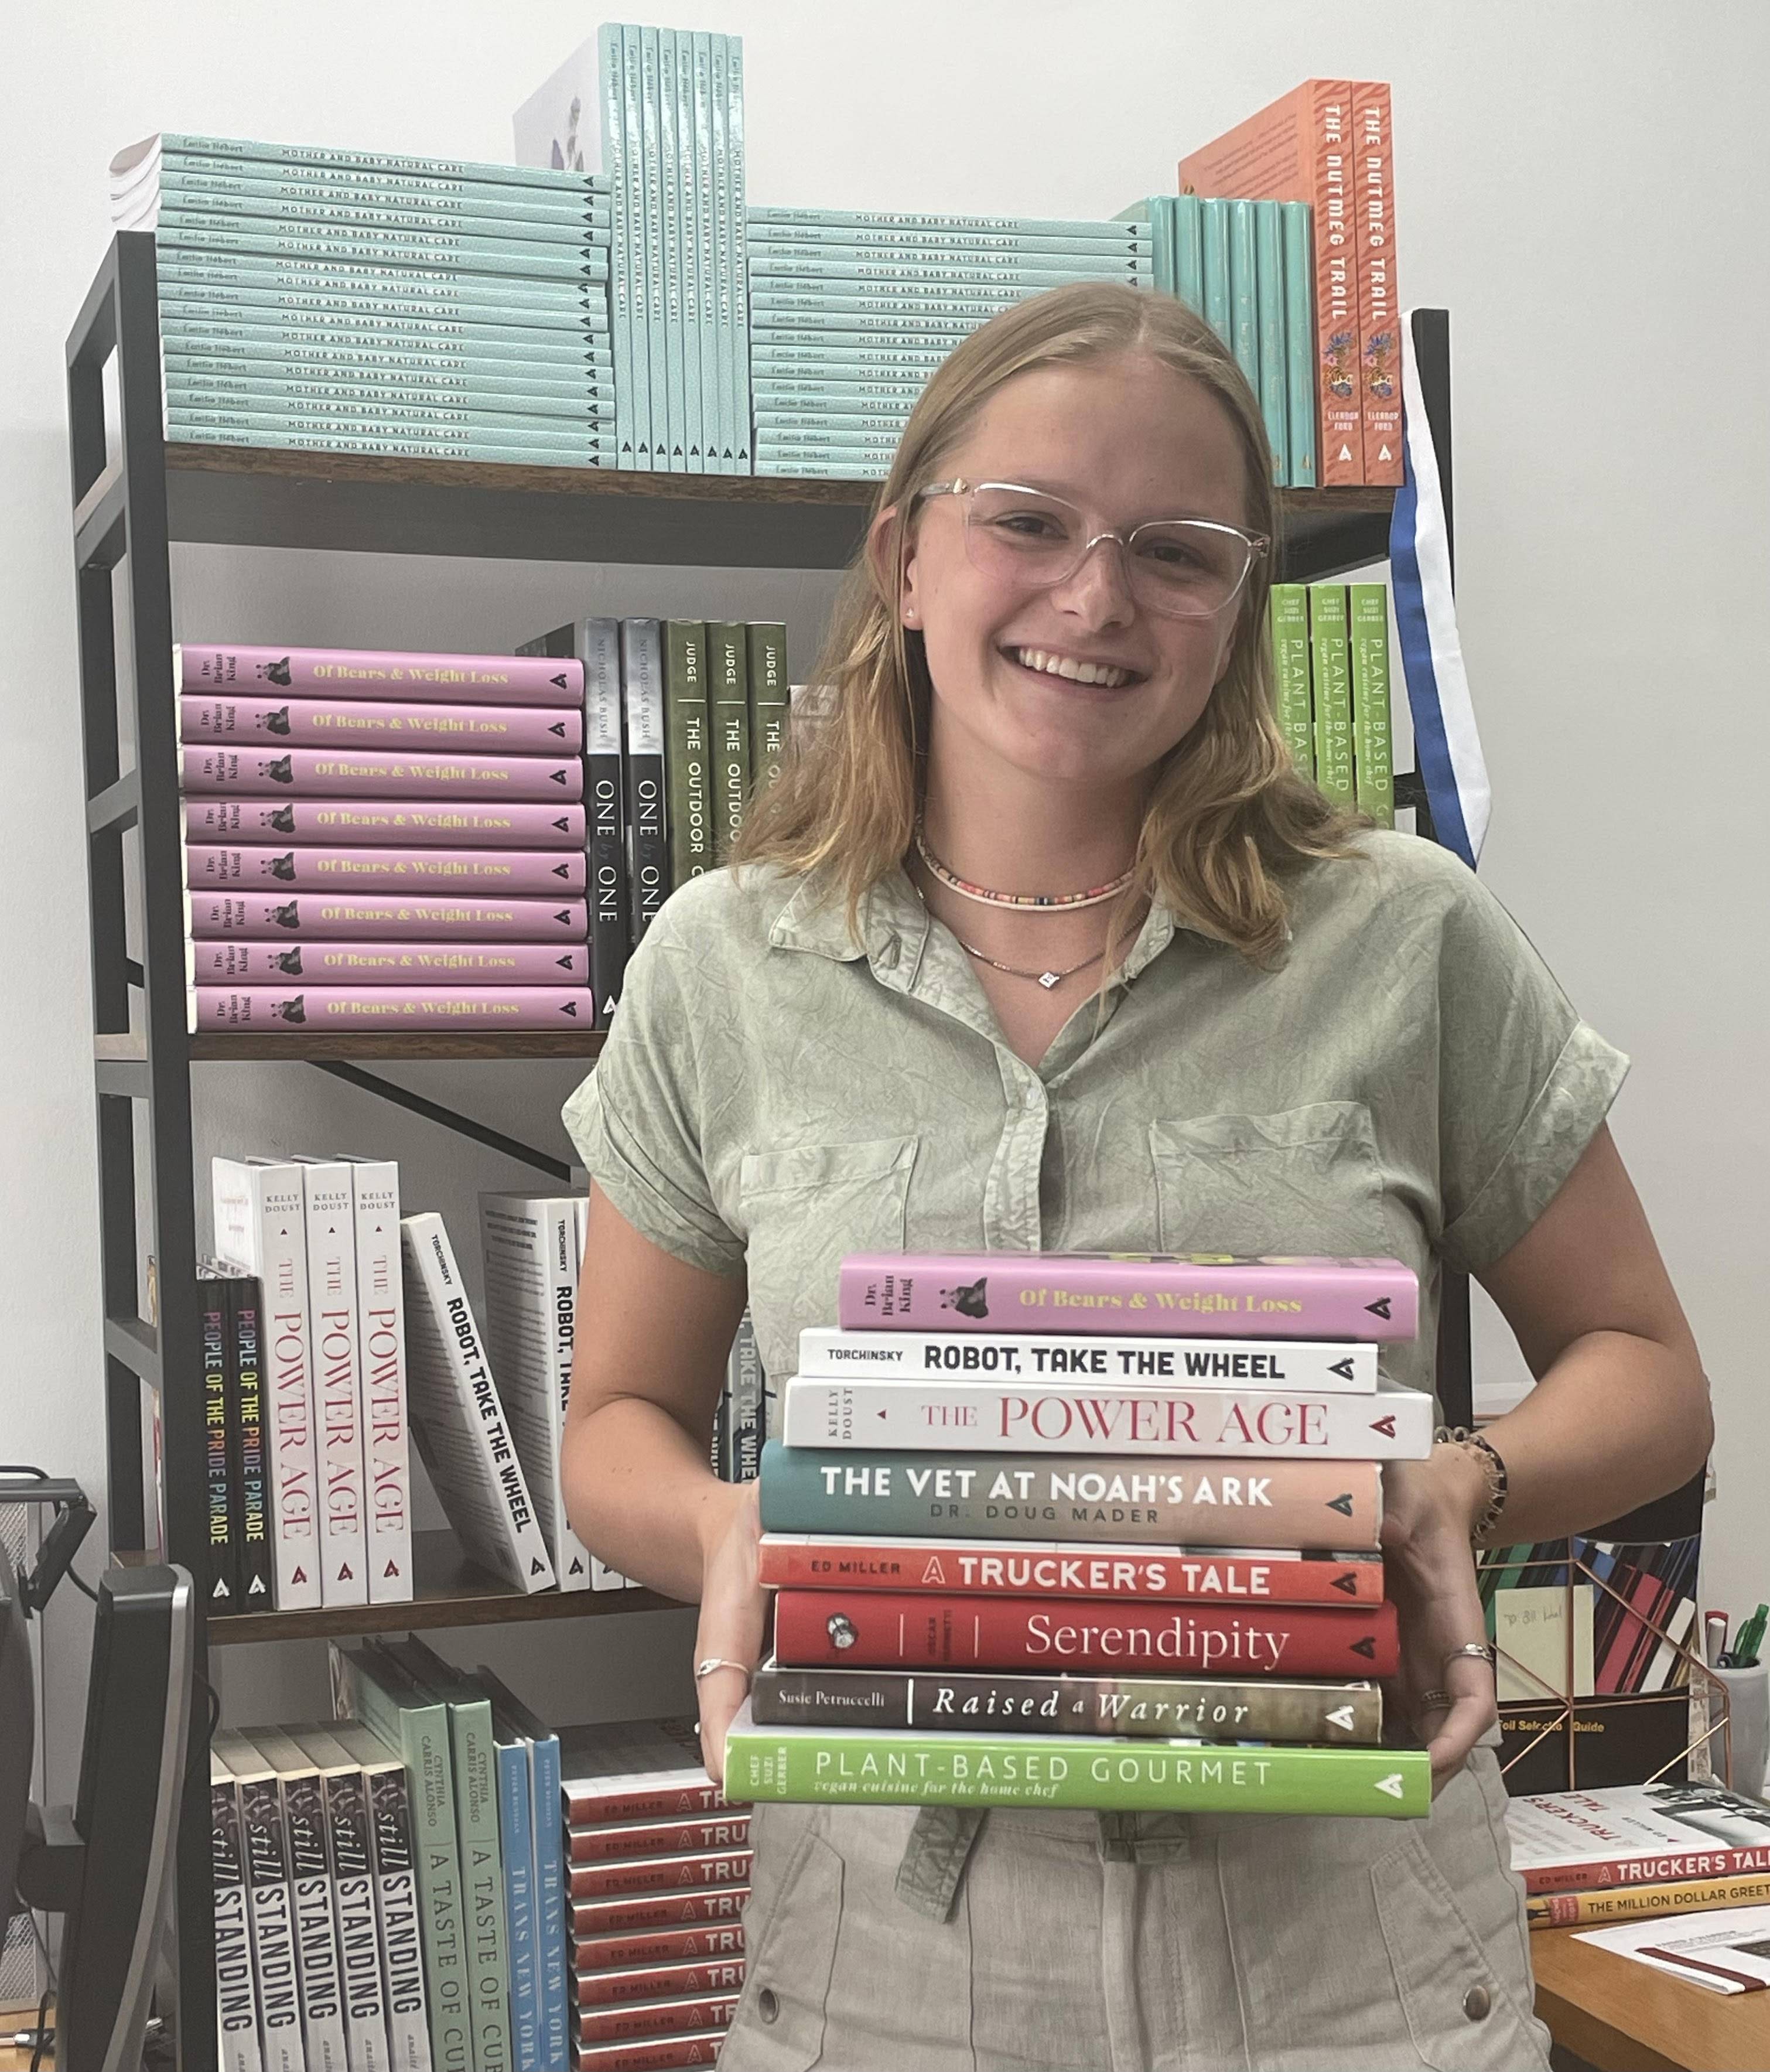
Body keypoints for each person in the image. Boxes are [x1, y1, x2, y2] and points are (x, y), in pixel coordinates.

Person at [559, 281, 1709, 2072]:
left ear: (1239, 607)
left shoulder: (1409, 937)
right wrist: (728, 1528)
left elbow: (1653, 1375)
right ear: (905, 556)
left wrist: (1449, 1488)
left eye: (1176, 551)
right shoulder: (722, 964)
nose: (1096, 599)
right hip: (888, 1971)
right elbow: (614, 1415)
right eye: (1026, 521)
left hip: (1358, 1967)